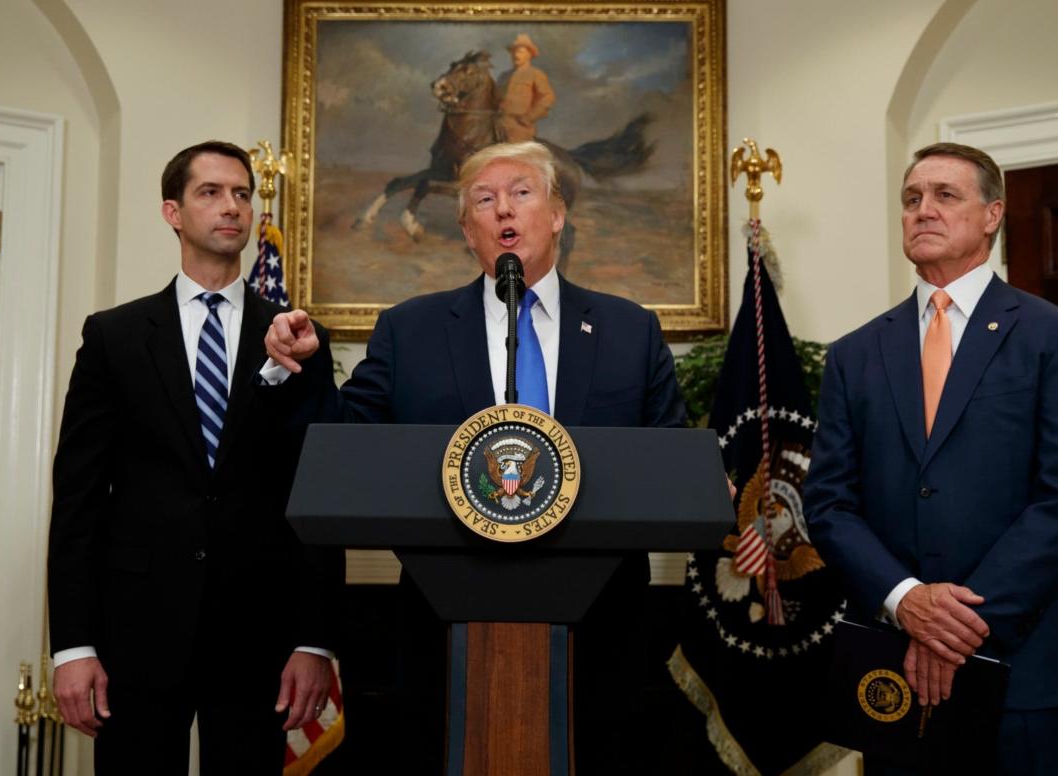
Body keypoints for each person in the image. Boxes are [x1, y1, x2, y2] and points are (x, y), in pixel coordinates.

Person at [263, 140, 685, 773]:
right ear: (467, 231)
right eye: (483, 201)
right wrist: (306, 366)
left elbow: (669, 463)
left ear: (558, 213)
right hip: (445, 623)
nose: (503, 210)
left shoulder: (630, 329)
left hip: (602, 629)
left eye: (521, 192)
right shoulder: (411, 331)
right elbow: (348, 446)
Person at [803, 142, 1058, 774]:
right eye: (912, 199)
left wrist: (959, 623)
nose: (923, 210)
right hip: (895, 672)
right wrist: (906, 599)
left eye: (945, 195)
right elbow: (830, 503)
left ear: (993, 214)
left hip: (1028, 674)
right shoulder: (854, 355)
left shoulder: (1055, 335)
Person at [48, 140, 340, 774]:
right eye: (210, 192)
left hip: (261, 637)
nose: (231, 207)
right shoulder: (114, 337)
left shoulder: (296, 336)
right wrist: (72, 646)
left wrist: (313, 639)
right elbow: (78, 499)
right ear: (172, 212)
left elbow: (318, 497)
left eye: (242, 193)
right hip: (136, 631)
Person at [496, 33, 556, 143]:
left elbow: (548, 97)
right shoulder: (503, 76)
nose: (515, 55)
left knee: (515, 157)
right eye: (513, 52)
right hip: (497, 126)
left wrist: (529, 118)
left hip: (520, 128)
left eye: (520, 51)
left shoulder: (535, 74)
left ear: (530, 54)